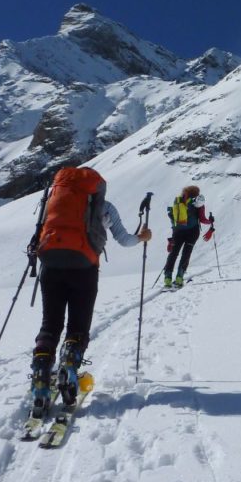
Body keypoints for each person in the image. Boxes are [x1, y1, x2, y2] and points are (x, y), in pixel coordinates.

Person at [30, 167, 151, 415]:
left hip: (50, 265)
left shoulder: (51, 201)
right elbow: (124, 240)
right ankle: (70, 370)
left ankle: (41, 378)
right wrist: (142, 237)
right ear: (96, 188)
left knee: (50, 325)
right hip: (85, 268)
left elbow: (39, 232)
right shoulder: (105, 207)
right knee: (78, 326)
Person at [163, 185, 214, 288]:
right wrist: (210, 221)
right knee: (186, 254)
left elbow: (173, 219)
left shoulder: (178, 201)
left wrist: (173, 235)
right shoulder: (198, 202)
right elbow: (203, 219)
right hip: (192, 232)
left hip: (178, 231)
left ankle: (167, 279)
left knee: (173, 254)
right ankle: (179, 278)